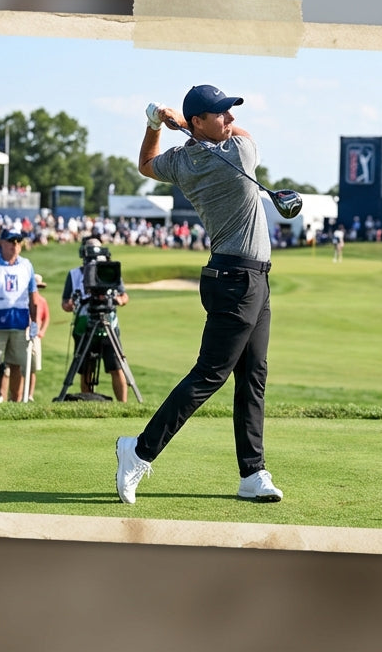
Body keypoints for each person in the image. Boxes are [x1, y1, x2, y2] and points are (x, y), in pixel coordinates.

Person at [117, 86, 283, 505]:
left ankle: (253, 472)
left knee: (253, 378)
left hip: (250, 279)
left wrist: (156, 124)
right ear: (198, 121)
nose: (229, 119)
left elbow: (145, 164)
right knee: (210, 374)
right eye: (220, 114)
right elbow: (243, 134)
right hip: (237, 281)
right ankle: (138, 451)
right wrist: (185, 127)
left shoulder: (182, 162)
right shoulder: (238, 155)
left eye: (229, 112)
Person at [61, 238, 130, 399]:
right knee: (86, 369)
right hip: (83, 324)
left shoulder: (110, 270)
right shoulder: (74, 274)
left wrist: (119, 300)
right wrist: (71, 304)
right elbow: (65, 303)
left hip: (108, 324)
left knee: (116, 366)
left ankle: (123, 405)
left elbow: (123, 295)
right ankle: (87, 402)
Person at [0, 228, 38, 403]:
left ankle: (15, 402)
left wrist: (35, 321)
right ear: (2, 243)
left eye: (18, 241)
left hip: (20, 321)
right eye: (11, 241)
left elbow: (33, 296)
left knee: (17, 365)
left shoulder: (26, 265)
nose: (15, 245)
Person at [25, 273, 51, 402]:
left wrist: (42, 331)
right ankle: (18, 394)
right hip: (23, 332)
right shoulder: (24, 299)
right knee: (19, 365)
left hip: (35, 335)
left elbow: (46, 318)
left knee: (33, 367)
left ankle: (30, 395)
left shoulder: (42, 301)